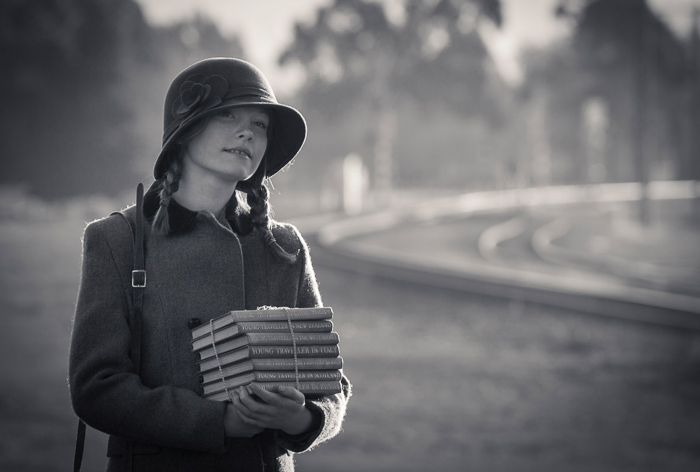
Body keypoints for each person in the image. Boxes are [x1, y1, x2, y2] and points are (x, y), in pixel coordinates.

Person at [68, 57, 351, 472]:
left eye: (260, 125)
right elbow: (97, 387)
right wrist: (217, 422)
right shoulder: (118, 240)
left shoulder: (285, 248)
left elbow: (331, 385)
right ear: (183, 132)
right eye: (227, 115)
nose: (246, 132)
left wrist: (304, 417)